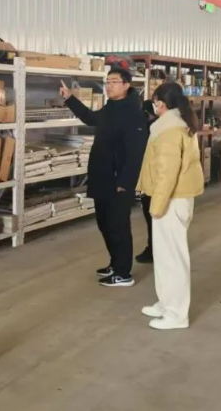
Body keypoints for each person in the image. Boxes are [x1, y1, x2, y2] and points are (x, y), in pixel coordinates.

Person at [60, 66, 148, 287]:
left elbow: (136, 153)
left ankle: (123, 273)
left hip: (119, 181)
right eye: (107, 82)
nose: (109, 86)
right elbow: (90, 118)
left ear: (126, 85)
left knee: (119, 226)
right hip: (103, 176)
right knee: (105, 223)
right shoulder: (111, 108)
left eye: (114, 82)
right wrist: (70, 99)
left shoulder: (133, 114)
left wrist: (125, 182)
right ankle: (115, 263)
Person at [136, 82, 204, 330]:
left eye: (154, 100)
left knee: (173, 258)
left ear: (161, 103)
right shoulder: (177, 124)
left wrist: (157, 205)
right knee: (164, 256)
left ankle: (176, 314)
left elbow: (167, 172)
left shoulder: (169, 130)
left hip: (171, 200)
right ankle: (166, 303)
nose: (152, 105)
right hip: (174, 198)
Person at [135, 98, 159, 264]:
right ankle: (154, 249)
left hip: (152, 181)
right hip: (150, 180)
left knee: (152, 217)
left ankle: (153, 250)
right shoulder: (157, 127)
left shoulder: (153, 129)